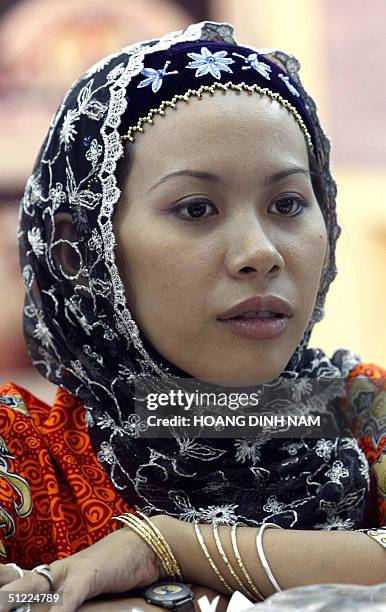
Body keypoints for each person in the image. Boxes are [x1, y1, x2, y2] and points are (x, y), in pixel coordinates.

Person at [0, 19, 384, 612]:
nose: (261, 252)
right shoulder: (23, 458)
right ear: (82, 250)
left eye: (288, 203)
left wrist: (168, 549)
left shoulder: (361, 409)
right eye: (196, 207)